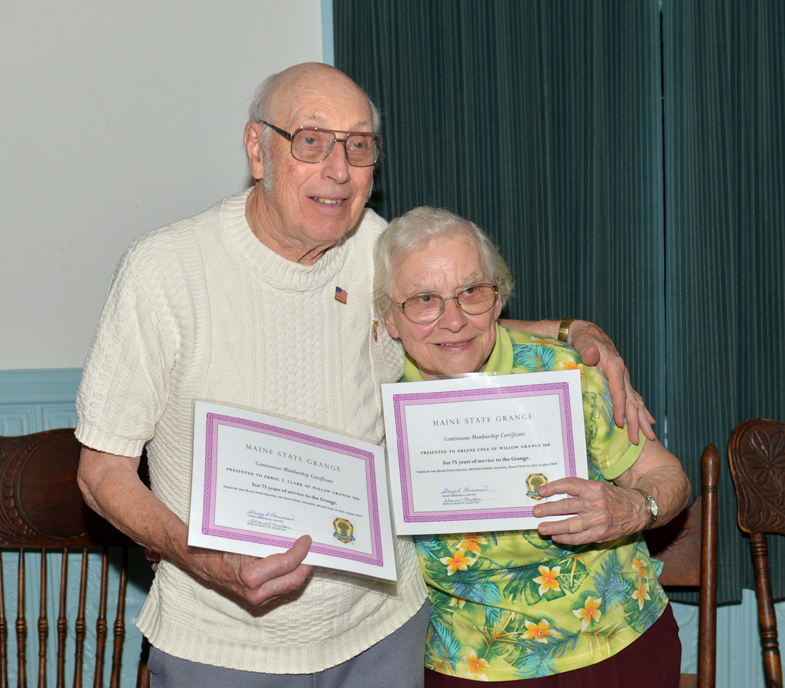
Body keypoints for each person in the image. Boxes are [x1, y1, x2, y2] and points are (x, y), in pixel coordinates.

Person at [76, 63, 655, 687]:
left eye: (359, 146)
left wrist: (574, 331)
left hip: (381, 633)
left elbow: (450, 318)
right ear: (257, 149)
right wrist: (201, 558)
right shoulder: (164, 271)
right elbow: (100, 471)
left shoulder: (376, 248)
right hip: (223, 641)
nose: (338, 169)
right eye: (311, 140)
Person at [373, 206, 690, 687]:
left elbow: (668, 478)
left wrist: (634, 507)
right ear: (389, 318)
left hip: (618, 644)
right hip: (469, 666)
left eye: (471, 292)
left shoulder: (566, 372)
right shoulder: (371, 406)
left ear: (497, 299)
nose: (453, 320)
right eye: (423, 299)